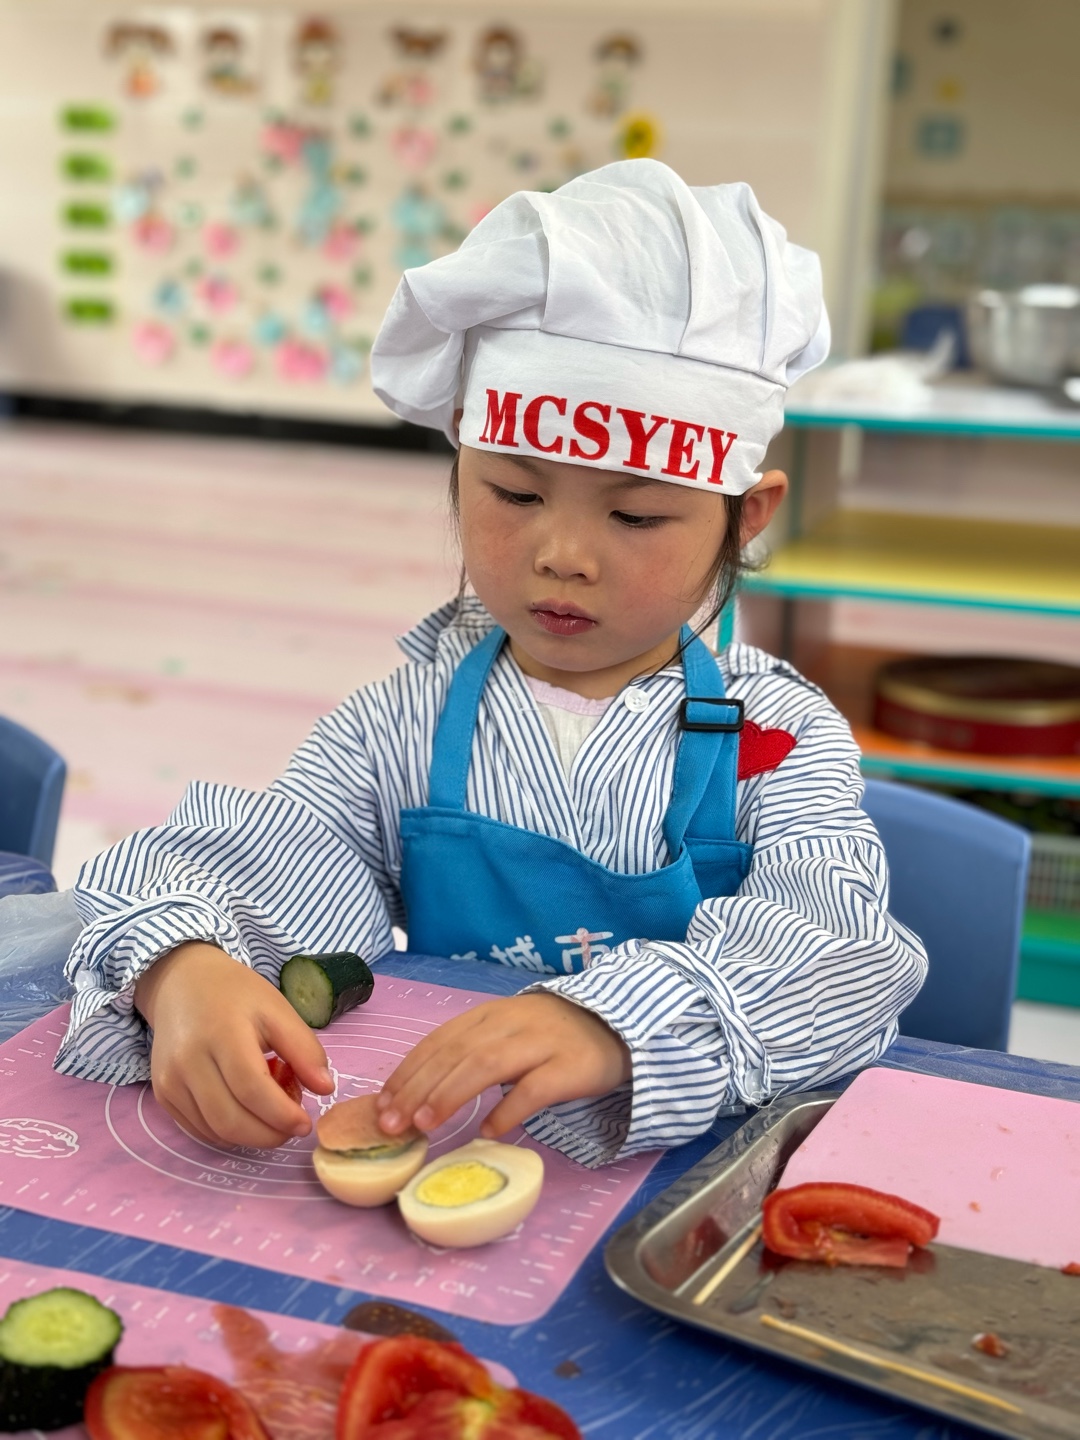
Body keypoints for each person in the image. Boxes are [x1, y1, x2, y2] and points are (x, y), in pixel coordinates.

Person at [57, 160, 927, 1166]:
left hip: (679, 1179)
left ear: (746, 518)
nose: (564, 554)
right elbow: (266, 866)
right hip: (447, 1150)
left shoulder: (777, 739)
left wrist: (613, 1024)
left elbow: (841, 960)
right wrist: (182, 965)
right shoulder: (404, 721)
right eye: (515, 495)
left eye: (637, 515)